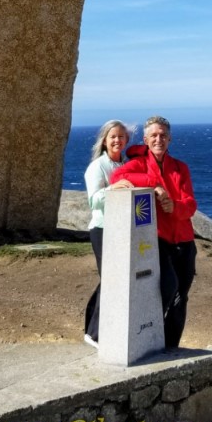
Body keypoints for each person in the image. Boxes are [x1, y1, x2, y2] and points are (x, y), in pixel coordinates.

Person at [111, 115, 197, 349]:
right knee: (168, 288)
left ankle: (171, 347)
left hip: (186, 241)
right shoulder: (138, 163)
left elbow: (191, 204)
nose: (159, 139)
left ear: (169, 139)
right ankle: (149, 339)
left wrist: (175, 206)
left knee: (182, 297)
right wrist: (154, 184)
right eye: (154, 135)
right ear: (146, 139)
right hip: (159, 239)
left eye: (163, 135)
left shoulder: (180, 167)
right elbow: (118, 176)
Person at [82, 119, 131, 346]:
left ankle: (93, 327)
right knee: (111, 280)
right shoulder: (97, 167)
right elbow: (94, 201)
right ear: (104, 140)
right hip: (102, 229)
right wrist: (113, 188)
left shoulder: (128, 163)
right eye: (113, 136)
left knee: (113, 279)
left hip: (123, 229)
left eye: (121, 137)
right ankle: (94, 334)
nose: (117, 140)